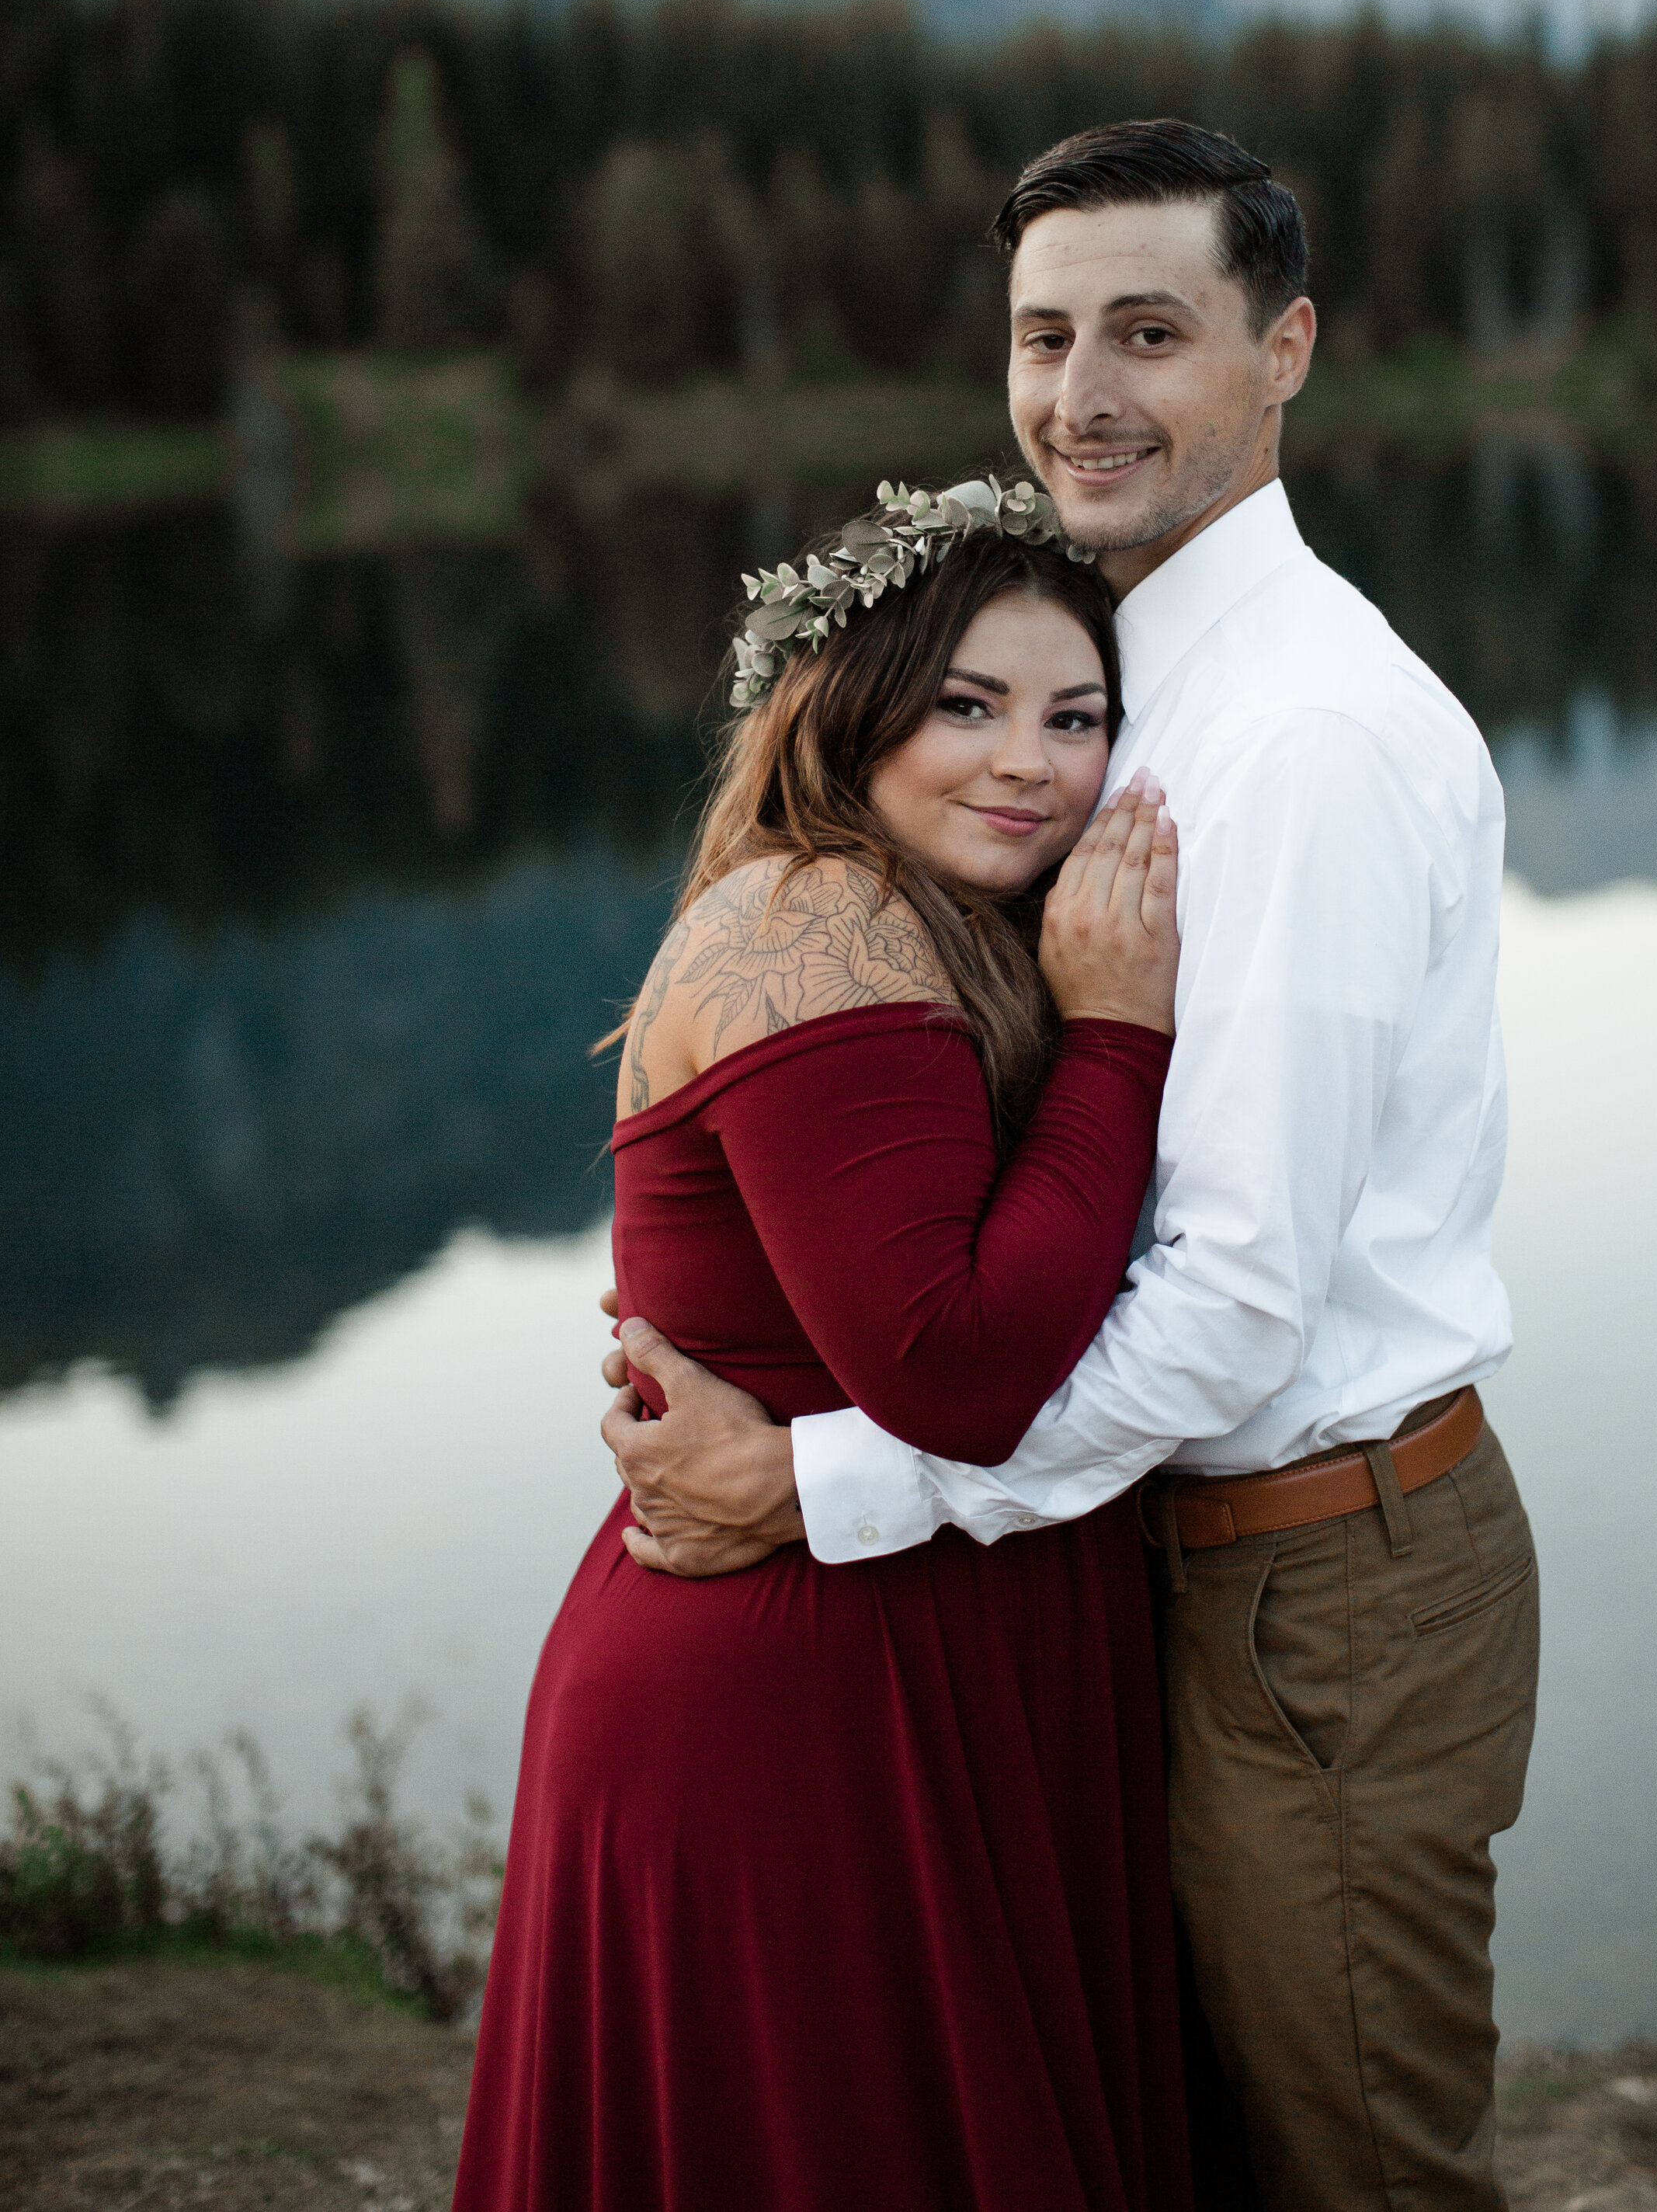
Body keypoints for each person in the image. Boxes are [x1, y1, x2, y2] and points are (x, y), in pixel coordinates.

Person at [604, 120, 1541, 2212]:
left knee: (1355, 2166)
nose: (1080, 394)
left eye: (1149, 329)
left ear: (1282, 348)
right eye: (1043, 335)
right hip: (1160, 1561)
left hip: (1317, 1580)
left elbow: (1227, 1299)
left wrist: (821, 1478)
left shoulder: (1293, 738)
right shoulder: (1100, 683)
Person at [453, 482, 1193, 2212]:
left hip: (915, 1641)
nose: (1029, 761)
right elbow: (954, 1365)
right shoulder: (816, 929)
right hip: (800, 1700)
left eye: (1074, 717)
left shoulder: (932, 919)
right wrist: (1118, 1036)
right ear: (844, 707)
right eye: (968, 706)